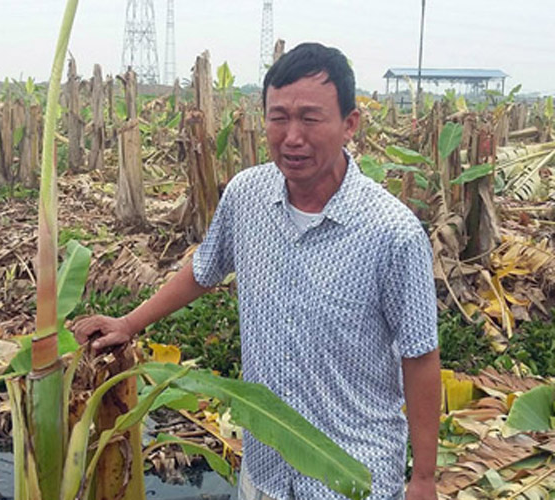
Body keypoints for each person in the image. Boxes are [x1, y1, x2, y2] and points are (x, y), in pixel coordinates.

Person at [74, 42, 440, 500]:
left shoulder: (393, 232)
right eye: (278, 117)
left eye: (310, 118)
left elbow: (420, 356)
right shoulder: (246, 196)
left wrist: (423, 478)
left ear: (350, 124)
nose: (292, 136)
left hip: (350, 474)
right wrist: (128, 323)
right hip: (263, 471)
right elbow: (204, 270)